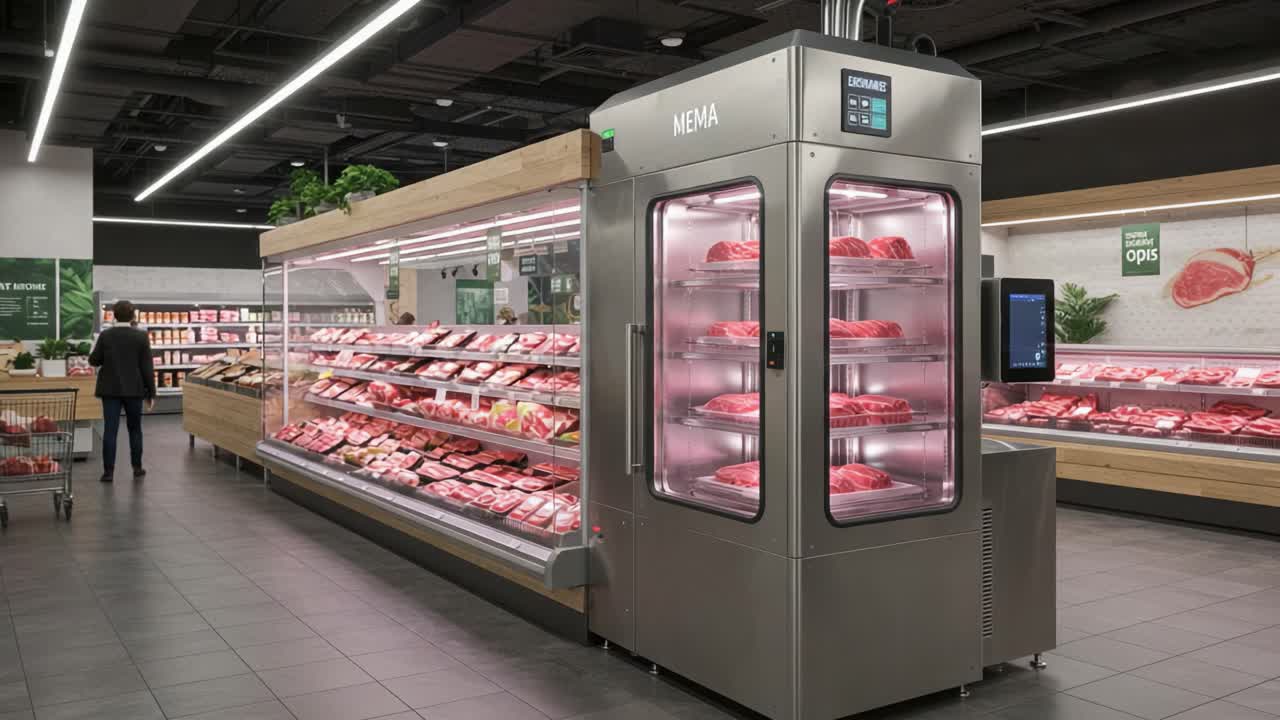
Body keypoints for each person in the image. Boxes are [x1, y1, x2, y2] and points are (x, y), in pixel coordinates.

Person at [89, 300, 155, 482]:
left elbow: (94, 360)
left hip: (110, 390)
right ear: (133, 315)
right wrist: (151, 393)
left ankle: (108, 472)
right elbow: (147, 367)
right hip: (134, 390)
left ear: (113, 315)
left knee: (110, 430)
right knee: (135, 429)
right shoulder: (141, 337)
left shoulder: (106, 335)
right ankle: (137, 467)